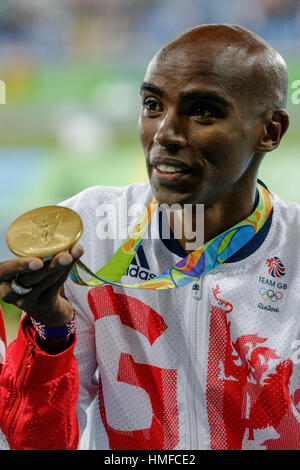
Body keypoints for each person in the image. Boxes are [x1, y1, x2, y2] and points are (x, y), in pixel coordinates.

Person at [0, 23, 299, 450]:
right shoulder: (89, 232)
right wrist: (50, 333)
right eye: (153, 104)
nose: (165, 134)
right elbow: (35, 443)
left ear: (269, 131)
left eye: (202, 111)